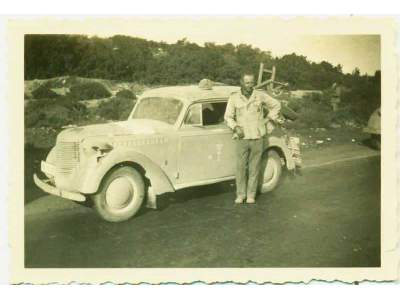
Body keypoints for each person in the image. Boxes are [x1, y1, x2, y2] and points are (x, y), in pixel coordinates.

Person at [224, 73, 281, 204]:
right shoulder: (234, 97)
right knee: (240, 167)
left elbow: (276, 105)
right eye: (247, 83)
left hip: (257, 136)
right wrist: (235, 126)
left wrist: (267, 119)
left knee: (254, 167)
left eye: (252, 82)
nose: (250, 85)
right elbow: (228, 116)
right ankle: (240, 195)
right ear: (241, 83)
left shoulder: (259, 95)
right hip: (242, 137)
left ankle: (251, 195)